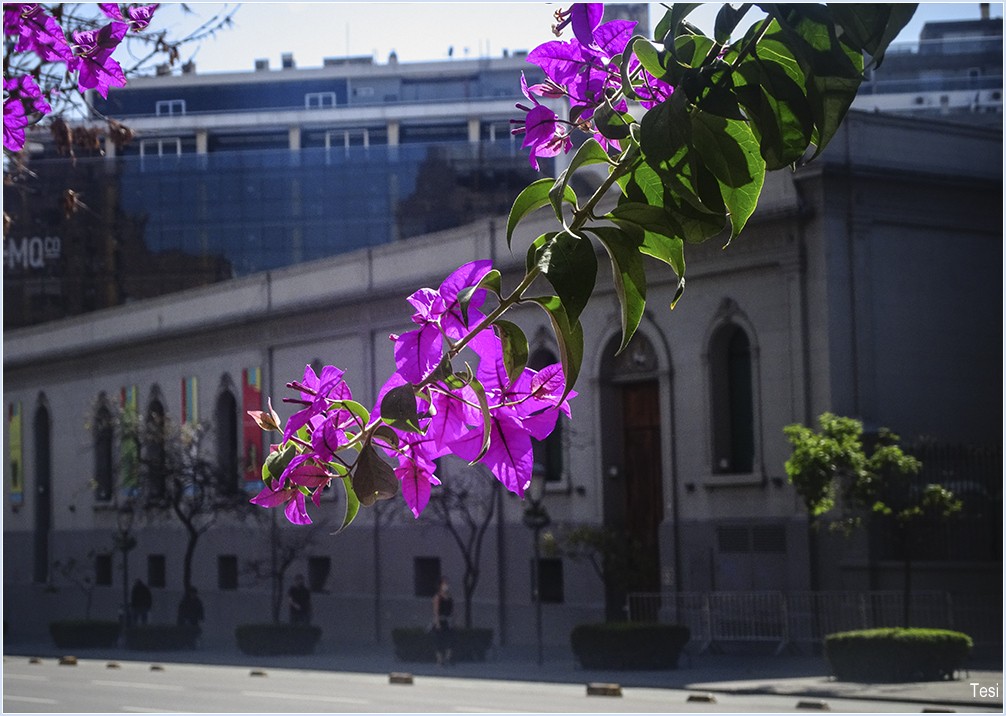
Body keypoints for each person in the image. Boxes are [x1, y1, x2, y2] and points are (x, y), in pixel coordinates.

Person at [432, 576, 454, 666]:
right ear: (440, 585)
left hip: (448, 621)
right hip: (440, 621)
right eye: (444, 583)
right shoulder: (437, 597)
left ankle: (448, 659)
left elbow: (452, 611)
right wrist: (437, 623)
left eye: (447, 583)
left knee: (450, 641)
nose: (446, 585)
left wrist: (453, 621)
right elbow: (436, 611)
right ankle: (440, 660)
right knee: (439, 641)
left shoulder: (450, 597)